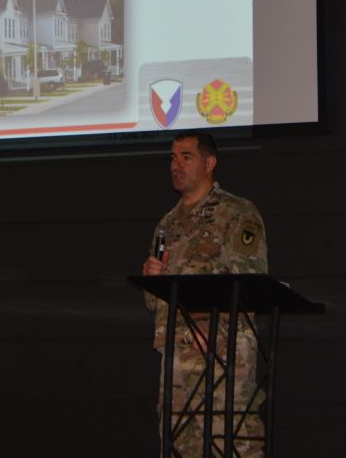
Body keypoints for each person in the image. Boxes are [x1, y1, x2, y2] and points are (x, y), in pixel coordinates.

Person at [142, 130, 267, 457]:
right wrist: (152, 281)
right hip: (176, 356)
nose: (176, 165)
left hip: (223, 355)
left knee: (235, 445)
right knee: (179, 447)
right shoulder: (166, 225)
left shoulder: (237, 212)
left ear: (209, 163)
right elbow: (154, 303)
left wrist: (212, 330)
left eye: (186, 157)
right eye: (172, 158)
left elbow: (249, 285)